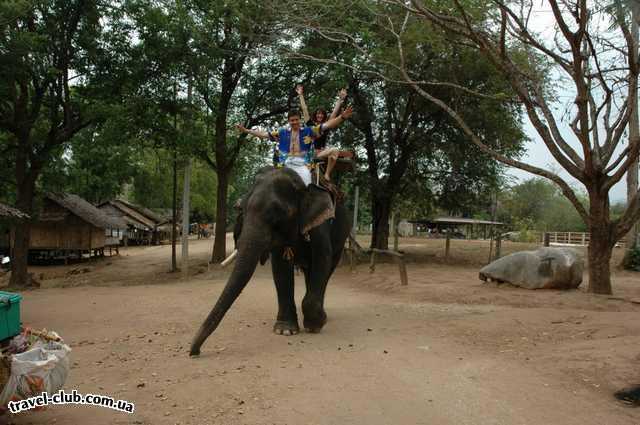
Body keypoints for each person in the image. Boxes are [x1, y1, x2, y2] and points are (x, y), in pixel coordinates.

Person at [236, 106, 353, 186]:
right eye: (292, 120)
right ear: (288, 121)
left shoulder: (309, 131)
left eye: (296, 120)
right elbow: (264, 134)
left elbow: (327, 125)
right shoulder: (282, 132)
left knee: (306, 184)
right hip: (285, 164)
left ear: (300, 120)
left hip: (303, 165)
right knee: (266, 181)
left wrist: (341, 117)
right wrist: (246, 130)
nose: (294, 122)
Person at [296, 85, 347, 181]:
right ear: (315, 115)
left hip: (320, 153)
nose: (320, 115)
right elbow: (304, 109)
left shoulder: (326, 125)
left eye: (322, 114)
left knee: (335, 151)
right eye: (318, 113)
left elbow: (334, 113)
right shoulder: (310, 124)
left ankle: (327, 174)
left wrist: (340, 100)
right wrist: (300, 95)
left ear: (324, 116)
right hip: (309, 153)